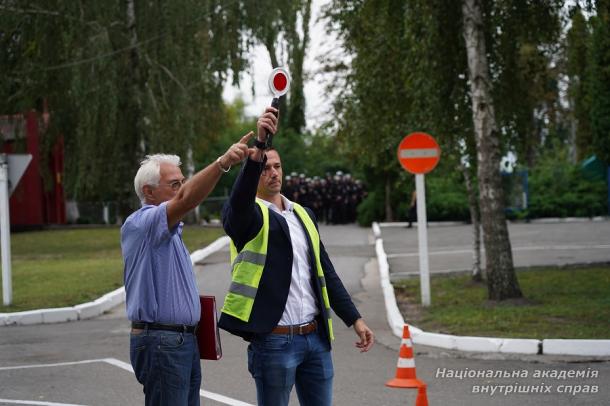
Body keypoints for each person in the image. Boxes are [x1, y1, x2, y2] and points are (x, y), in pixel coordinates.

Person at [219, 107, 375, 406]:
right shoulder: (249, 216)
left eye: (277, 166)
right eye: (265, 168)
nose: (273, 172)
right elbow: (237, 205)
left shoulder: (303, 214)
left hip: (315, 339)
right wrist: (258, 149)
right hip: (274, 342)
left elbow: (326, 273)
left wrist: (355, 319)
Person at [121, 128, 255, 405]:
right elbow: (186, 200)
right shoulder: (143, 222)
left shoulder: (168, 228)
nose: (182, 188)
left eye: (182, 181)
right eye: (174, 184)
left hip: (178, 341)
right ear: (148, 191)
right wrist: (223, 163)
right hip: (162, 342)